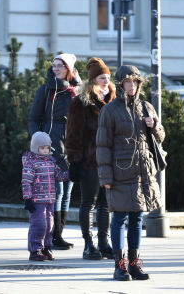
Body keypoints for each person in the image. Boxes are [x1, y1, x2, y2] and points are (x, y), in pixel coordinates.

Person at [96, 65, 165, 281]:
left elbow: (161, 136)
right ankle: (120, 265)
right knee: (119, 218)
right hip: (120, 172)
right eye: (128, 82)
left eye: (135, 82)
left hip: (143, 172)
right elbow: (102, 145)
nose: (132, 86)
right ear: (120, 84)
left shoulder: (146, 107)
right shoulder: (110, 110)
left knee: (137, 219)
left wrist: (153, 126)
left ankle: (135, 264)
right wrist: (105, 177)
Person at [28, 53, 81, 250]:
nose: (56, 68)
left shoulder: (77, 91)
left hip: (73, 147)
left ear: (69, 69)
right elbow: (33, 118)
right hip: (51, 148)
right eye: (54, 65)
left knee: (67, 193)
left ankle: (59, 234)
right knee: (57, 193)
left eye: (61, 65)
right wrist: (39, 139)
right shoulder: (46, 90)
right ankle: (53, 236)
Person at [66, 57, 116, 260]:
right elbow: (73, 133)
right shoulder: (81, 102)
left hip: (111, 160)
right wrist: (75, 160)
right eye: (102, 77)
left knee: (106, 204)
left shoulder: (115, 99)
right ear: (93, 79)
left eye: (108, 77)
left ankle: (104, 242)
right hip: (89, 160)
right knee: (89, 202)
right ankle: (89, 244)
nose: (106, 81)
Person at [22, 131, 69, 261]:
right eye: (42, 148)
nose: (45, 150)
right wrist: (27, 198)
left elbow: (59, 176)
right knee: (39, 224)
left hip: (50, 199)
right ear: (35, 148)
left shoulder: (51, 161)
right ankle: (35, 249)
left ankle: (46, 247)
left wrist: (71, 173)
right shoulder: (31, 162)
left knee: (50, 224)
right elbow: (26, 181)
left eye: (47, 148)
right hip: (37, 200)